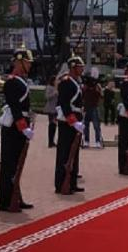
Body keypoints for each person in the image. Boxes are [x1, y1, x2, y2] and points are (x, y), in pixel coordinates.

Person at [0, 48, 36, 212]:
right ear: (19, 62)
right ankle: (6, 200)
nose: (29, 65)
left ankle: (16, 195)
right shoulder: (12, 81)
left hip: (19, 124)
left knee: (17, 164)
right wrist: (23, 127)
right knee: (10, 164)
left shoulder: (21, 80)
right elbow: (15, 107)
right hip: (14, 126)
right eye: (27, 62)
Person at [54, 57, 86, 194]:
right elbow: (65, 104)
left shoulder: (76, 82)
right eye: (80, 66)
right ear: (73, 67)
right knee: (65, 152)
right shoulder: (66, 82)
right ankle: (61, 183)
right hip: (68, 122)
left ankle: (72, 181)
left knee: (74, 153)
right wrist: (73, 121)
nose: (82, 69)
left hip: (76, 119)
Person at [82, 75, 103, 148]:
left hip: (94, 107)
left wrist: (99, 89)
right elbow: (82, 96)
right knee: (85, 125)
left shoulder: (97, 87)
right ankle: (86, 141)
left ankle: (98, 141)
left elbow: (101, 96)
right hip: (86, 107)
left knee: (96, 125)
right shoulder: (85, 88)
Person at [43, 75, 59, 148]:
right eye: (56, 80)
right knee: (52, 124)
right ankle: (50, 141)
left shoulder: (57, 88)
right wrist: (54, 93)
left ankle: (52, 141)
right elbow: (47, 97)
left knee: (54, 125)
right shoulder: (49, 87)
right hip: (51, 108)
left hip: (56, 109)